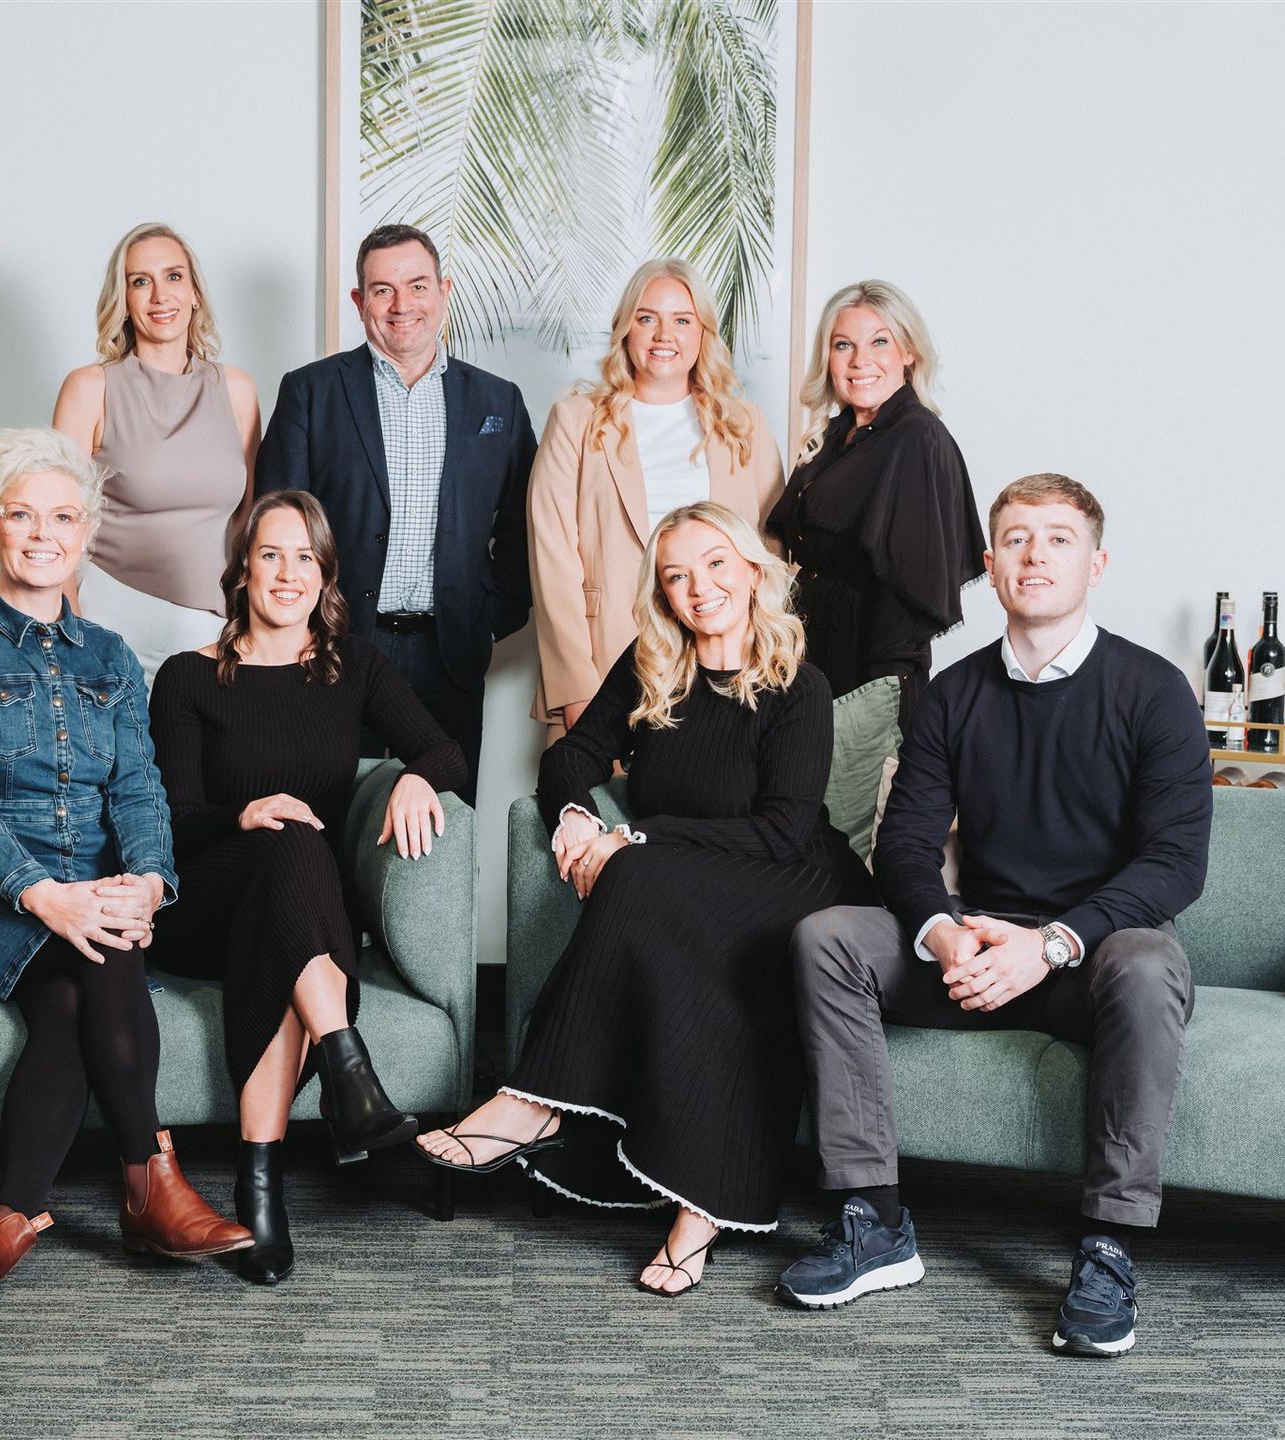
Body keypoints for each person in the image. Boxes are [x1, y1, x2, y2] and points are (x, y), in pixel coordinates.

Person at [777, 474, 1211, 1356]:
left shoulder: (1155, 690)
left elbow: (1174, 864)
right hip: (974, 944)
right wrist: (943, 930)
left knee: (1151, 963)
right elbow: (903, 845)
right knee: (827, 938)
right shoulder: (953, 695)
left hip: (1092, 955)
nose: (1035, 556)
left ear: (1096, 563)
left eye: (1057, 539)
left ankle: (1108, 1247)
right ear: (990, 564)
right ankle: (875, 1221)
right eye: (1016, 539)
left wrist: (1050, 944)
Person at [416, 502, 875, 1295]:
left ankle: (534, 1103)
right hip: (691, 881)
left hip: (795, 878)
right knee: (697, 962)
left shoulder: (800, 685)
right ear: (662, 595)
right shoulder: (652, 665)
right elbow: (572, 757)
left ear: (751, 569)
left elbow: (784, 830)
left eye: (716, 565)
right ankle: (696, 1204)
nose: (700, 589)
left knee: (637, 875)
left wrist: (634, 839)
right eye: (677, 576)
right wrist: (575, 814)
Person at [0, 427, 251, 1313]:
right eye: (21, 515)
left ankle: (9, 1228)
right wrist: (44, 894)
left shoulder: (112, 659)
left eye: (62, 516)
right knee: (96, 949)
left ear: (86, 530)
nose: (42, 533)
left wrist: (149, 880)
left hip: (84, 895)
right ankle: (151, 1184)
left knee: (72, 988)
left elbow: (138, 785)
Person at [148, 490, 468, 1285]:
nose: (287, 573)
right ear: (242, 571)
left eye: (304, 557)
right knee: (289, 840)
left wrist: (412, 781)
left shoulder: (355, 667)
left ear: (324, 575)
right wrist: (245, 813)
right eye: (270, 555)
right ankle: (348, 1072)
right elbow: (172, 822)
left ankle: (262, 1195)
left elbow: (446, 752)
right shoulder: (188, 679)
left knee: (295, 869)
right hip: (206, 900)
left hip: (297, 904)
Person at [253, 223, 536, 804]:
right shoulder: (310, 392)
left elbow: (523, 524)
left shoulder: (496, 401)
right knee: (330, 819)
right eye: (382, 290)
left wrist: (490, 613)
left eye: (417, 286)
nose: (402, 305)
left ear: (444, 291)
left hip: (449, 650)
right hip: (334, 647)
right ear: (359, 302)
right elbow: (275, 520)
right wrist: (303, 629)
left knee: (444, 826)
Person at [530, 258, 784, 735]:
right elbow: (552, 562)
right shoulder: (576, 421)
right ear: (626, 329)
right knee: (605, 805)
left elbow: (772, 551)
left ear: (702, 332)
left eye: (682, 320)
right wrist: (576, 688)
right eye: (647, 318)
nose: (664, 334)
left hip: (732, 666)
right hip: (608, 657)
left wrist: (766, 653)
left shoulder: (744, 424)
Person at [767, 280, 985, 731]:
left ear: (908, 352)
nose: (859, 360)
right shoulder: (834, 435)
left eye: (879, 342)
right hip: (806, 660)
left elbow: (907, 593)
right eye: (843, 344)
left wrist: (874, 706)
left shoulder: (916, 438)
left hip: (866, 676)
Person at [53, 221, 262, 685]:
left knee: (209, 759)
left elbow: (249, 519)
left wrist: (249, 626)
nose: (159, 296)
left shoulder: (238, 391)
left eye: (173, 276)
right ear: (124, 300)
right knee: (116, 760)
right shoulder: (90, 388)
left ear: (195, 293)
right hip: (112, 623)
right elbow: (56, 525)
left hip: (213, 630)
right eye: (139, 282)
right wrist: (74, 635)